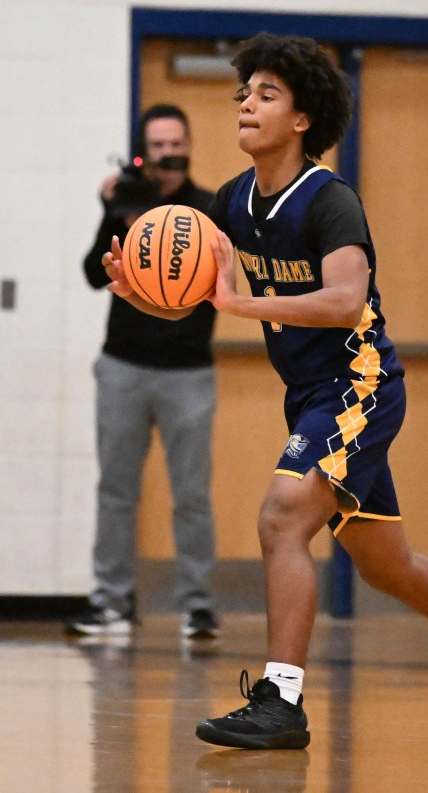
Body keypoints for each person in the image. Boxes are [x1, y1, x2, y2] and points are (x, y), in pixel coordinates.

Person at [102, 34, 428, 747]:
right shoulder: (234, 201)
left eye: (266, 95)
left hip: (359, 386)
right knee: (391, 566)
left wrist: (241, 307)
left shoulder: (329, 200)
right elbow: (198, 293)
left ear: (301, 119)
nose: (246, 106)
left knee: (281, 517)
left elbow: (346, 301)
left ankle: (281, 700)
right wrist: (138, 288)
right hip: (314, 395)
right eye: (244, 94)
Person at [66, 104, 220, 640]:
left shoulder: (206, 210)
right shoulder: (130, 202)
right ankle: (110, 602)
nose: (168, 154)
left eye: (176, 143)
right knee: (116, 489)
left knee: (193, 494)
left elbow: (224, 283)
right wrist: (115, 214)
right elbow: (92, 274)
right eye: (157, 145)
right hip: (123, 367)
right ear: (143, 152)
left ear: (190, 145)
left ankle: (198, 606)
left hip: (189, 372)